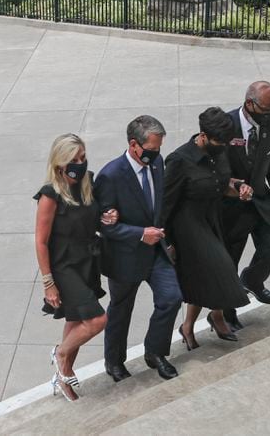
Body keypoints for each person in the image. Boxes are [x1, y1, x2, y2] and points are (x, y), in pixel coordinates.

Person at [94, 115, 183, 382]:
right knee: (121, 309)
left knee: (171, 298)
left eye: (159, 149)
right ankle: (114, 362)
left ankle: (154, 352)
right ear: (134, 144)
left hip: (156, 252)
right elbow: (104, 225)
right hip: (125, 256)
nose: (156, 154)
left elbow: (160, 205)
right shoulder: (110, 176)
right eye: (152, 149)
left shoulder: (157, 165)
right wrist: (139, 234)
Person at [162, 107, 253, 349]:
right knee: (222, 269)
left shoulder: (220, 150)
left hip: (212, 218)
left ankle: (189, 325)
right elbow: (166, 202)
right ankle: (218, 315)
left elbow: (222, 185)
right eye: (217, 141)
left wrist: (240, 190)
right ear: (202, 135)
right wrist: (167, 240)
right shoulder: (179, 160)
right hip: (187, 224)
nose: (222, 145)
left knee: (205, 278)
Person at [35, 134, 115, 402]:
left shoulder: (87, 183)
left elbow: (96, 215)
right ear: (60, 163)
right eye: (74, 160)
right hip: (64, 266)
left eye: (83, 157)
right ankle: (60, 353)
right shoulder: (50, 195)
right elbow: (41, 241)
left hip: (87, 261)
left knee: (77, 319)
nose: (81, 163)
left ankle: (64, 373)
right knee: (96, 320)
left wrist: (108, 215)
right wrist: (49, 282)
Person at [221, 81, 270, 331]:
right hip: (232, 205)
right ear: (249, 104)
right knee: (229, 261)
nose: (269, 116)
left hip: (260, 201)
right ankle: (226, 314)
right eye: (265, 110)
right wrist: (233, 186)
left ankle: (252, 280)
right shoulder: (226, 126)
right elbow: (215, 168)